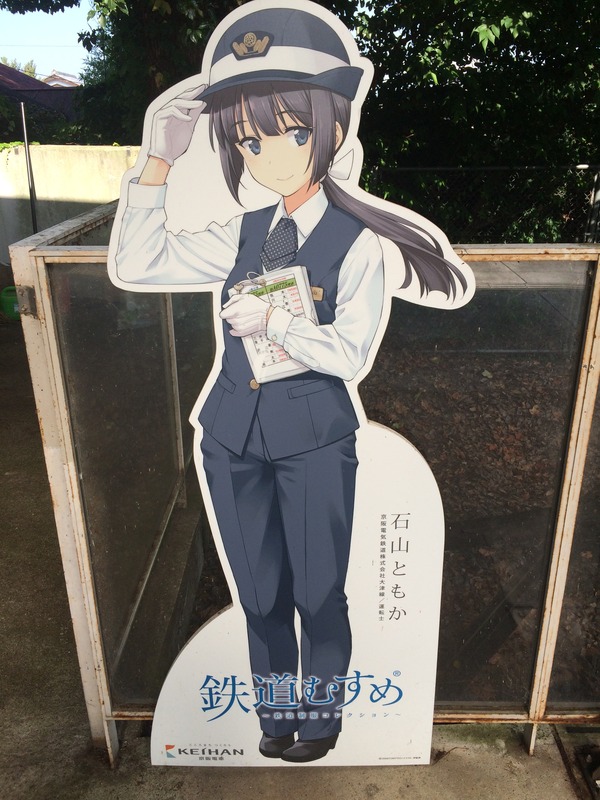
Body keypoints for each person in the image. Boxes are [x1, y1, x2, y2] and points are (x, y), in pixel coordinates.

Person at [110, 1, 474, 763]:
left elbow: (350, 354)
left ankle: (323, 719)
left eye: (292, 132)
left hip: (313, 441)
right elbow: (139, 262)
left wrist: (276, 322)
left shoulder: (358, 243)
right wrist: (159, 161)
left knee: (318, 595)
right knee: (262, 596)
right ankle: (277, 717)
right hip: (231, 438)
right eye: (250, 139)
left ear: (331, 128)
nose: (270, 156)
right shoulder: (245, 232)